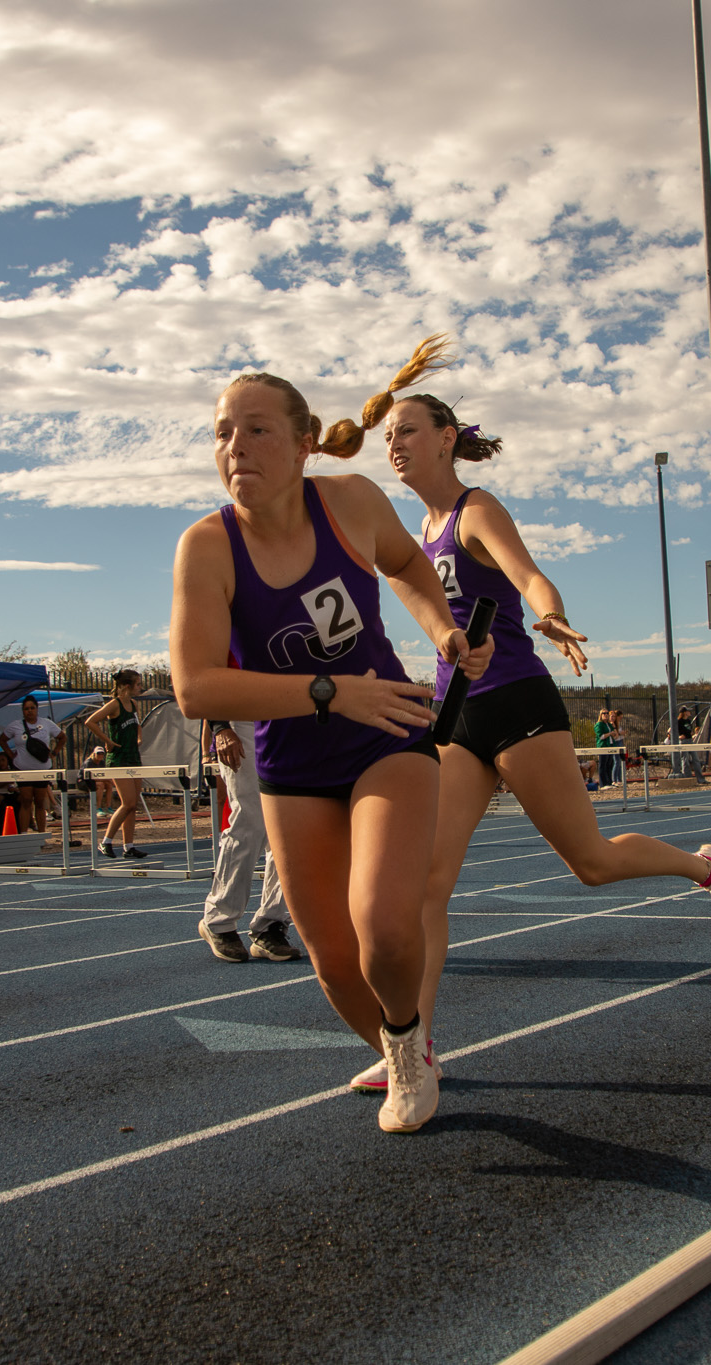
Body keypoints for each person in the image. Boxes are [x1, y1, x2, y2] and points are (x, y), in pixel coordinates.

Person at [371, 338, 711, 1094]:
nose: (395, 446)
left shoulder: (474, 511)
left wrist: (550, 615)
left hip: (518, 701)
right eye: (388, 436)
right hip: (456, 715)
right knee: (426, 886)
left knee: (591, 862)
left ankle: (705, 867)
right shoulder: (413, 534)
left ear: (447, 438)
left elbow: (529, 575)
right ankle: (411, 1051)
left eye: (408, 431)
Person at [168, 360, 491, 1134]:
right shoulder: (207, 547)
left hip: (387, 732)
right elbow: (197, 688)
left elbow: (410, 564)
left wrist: (443, 629)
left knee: (381, 922)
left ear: (307, 441)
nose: (236, 446)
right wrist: (325, 689)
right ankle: (406, 1046)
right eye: (222, 433)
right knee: (330, 957)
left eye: (256, 430)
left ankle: (408, 1046)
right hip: (294, 761)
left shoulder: (349, 502)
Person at [198, 716, 297, 963]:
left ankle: (270, 924)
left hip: (288, 724)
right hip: (242, 723)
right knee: (250, 821)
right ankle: (219, 919)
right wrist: (220, 727)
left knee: (288, 830)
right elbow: (208, 679)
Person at [86, 670, 148, 858]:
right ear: (128, 686)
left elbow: (137, 725)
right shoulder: (115, 704)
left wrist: (139, 738)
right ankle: (106, 842)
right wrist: (108, 741)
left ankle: (128, 846)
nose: (140, 687)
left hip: (133, 757)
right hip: (119, 759)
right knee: (127, 802)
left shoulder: (134, 704)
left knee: (133, 804)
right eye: (138, 684)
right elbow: (91, 722)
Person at [0, 696, 65, 837]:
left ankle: (41, 834)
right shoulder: (16, 725)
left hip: (41, 768)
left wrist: (54, 752)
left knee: (40, 801)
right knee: (26, 800)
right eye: (26, 709)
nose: (29, 711)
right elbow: (2, 740)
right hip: (23, 768)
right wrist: (11, 755)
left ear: (37, 709)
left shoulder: (46, 724)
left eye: (32, 708)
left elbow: (62, 737)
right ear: (23, 711)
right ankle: (24, 833)